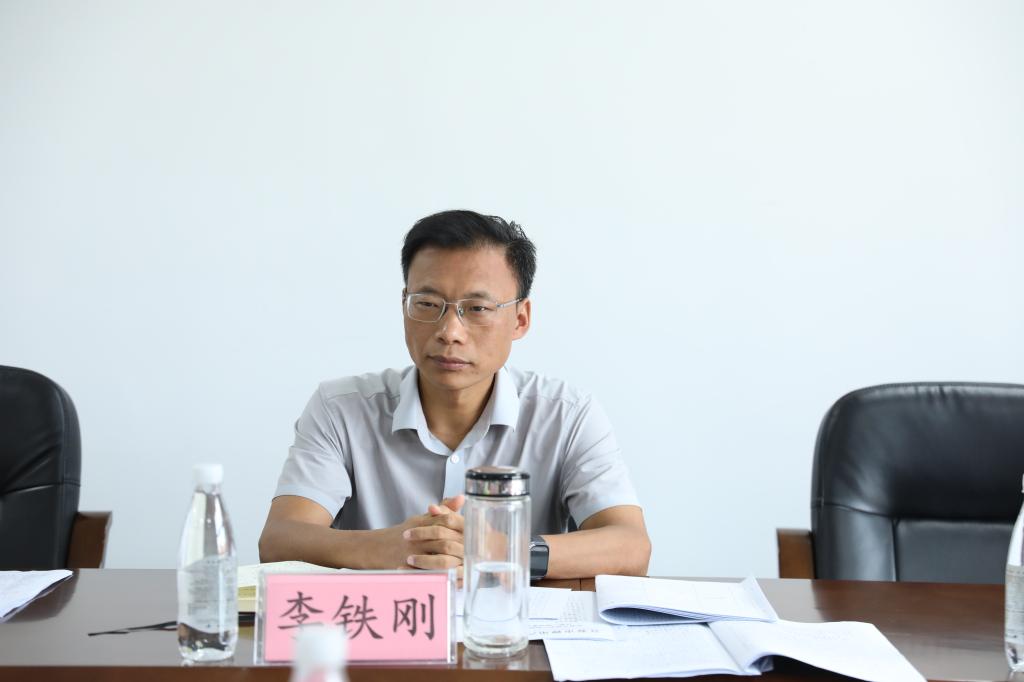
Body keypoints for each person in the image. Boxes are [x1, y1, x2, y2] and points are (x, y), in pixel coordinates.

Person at [259, 210, 650, 579]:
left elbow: (631, 546)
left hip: (509, 623)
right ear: (404, 306)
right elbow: (280, 540)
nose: (449, 332)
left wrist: (501, 550)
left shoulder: (567, 414)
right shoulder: (340, 409)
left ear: (520, 319)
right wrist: (391, 546)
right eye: (428, 304)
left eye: (477, 308)